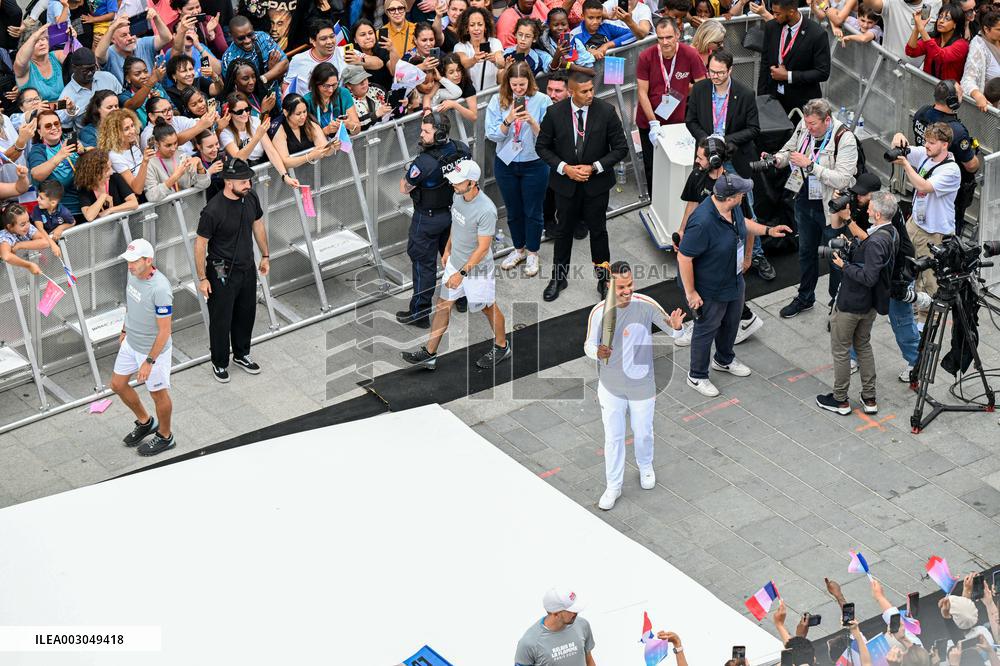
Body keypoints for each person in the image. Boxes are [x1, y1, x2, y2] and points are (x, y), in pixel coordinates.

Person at [584, 261, 686, 510]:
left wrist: (677, 327)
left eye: (630, 285)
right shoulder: (599, 312)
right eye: (621, 287)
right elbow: (588, 345)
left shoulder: (646, 305)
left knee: (643, 432)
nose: (627, 291)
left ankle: (645, 465)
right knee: (614, 438)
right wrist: (598, 352)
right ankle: (613, 486)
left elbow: (675, 334)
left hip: (642, 386)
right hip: (611, 387)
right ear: (609, 286)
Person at [678, 174, 792, 397]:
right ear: (730, 197)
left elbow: (744, 225)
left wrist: (767, 231)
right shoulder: (702, 222)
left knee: (732, 322)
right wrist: (691, 292)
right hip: (710, 287)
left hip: (734, 278)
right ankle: (697, 375)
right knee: (706, 329)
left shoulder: (733, 208)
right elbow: (684, 258)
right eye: (741, 194)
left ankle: (724, 359)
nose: (744, 196)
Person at [400, 160, 511, 370]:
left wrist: (461, 273)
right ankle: (429, 354)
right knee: (443, 306)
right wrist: (449, 249)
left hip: (476, 271)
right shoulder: (458, 196)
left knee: (488, 308)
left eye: (458, 182)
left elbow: (483, 248)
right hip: (455, 263)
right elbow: (456, 224)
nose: (453, 185)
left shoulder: (486, 210)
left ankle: (502, 346)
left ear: (471, 182)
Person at [536, 71, 628, 302]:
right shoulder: (554, 113)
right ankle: (559, 277)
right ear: (571, 92)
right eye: (584, 91)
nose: (590, 94)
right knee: (563, 231)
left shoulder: (606, 111)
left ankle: (603, 278)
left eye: (591, 90)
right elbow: (542, 147)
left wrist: (595, 167)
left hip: (596, 186)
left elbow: (620, 148)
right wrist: (565, 168)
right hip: (565, 186)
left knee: (598, 232)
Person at [685, 50, 775, 282]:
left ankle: (756, 255)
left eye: (720, 73)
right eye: (711, 71)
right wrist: (708, 143)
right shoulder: (700, 90)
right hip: (708, 159)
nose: (714, 76)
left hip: (735, 160)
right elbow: (690, 120)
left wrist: (726, 141)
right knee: (702, 202)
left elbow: (754, 129)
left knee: (747, 209)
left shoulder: (745, 94)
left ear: (730, 71)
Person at [766, 98, 858, 319]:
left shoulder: (844, 138)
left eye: (813, 124)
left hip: (830, 208)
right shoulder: (805, 126)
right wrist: (777, 159)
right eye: (806, 123)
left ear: (827, 120)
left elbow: (843, 179)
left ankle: (838, 305)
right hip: (804, 198)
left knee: (835, 257)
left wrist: (811, 165)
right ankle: (805, 297)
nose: (808, 128)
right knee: (806, 252)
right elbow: (789, 150)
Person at [816, 190, 898, 416]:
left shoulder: (876, 243)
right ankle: (869, 398)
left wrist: (844, 265)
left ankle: (840, 399)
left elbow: (869, 277)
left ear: (879, 214)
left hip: (852, 303)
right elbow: (868, 245)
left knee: (841, 350)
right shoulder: (890, 233)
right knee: (863, 346)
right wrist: (851, 233)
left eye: (871, 208)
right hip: (870, 306)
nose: (868, 210)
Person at [677, 138, 764, 346]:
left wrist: (748, 257)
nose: (696, 161)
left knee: (717, 287)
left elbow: (748, 225)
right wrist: (682, 230)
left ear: (714, 160)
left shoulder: (732, 187)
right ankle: (705, 319)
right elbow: (692, 204)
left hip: (723, 248)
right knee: (685, 279)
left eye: (700, 157)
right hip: (702, 239)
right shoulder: (697, 175)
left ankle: (743, 318)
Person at [194, 157, 270, 383]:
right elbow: (200, 244)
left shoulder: (250, 197)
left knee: (247, 312)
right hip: (220, 268)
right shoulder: (213, 211)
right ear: (229, 182)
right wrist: (202, 278)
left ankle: (241, 353)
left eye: (249, 180)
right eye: (243, 181)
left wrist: (265, 255)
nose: (248, 184)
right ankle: (219, 362)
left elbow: (257, 224)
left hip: (246, 264)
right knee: (221, 317)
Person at [397, 112, 471, 327]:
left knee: (424, 265)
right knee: (456, 258)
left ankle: (420, 314)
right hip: (454, 214)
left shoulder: (425, 162)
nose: (421, 134)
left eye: (426, 131)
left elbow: (404, 188)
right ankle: (463, 298)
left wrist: (409, 172)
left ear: (438, 135)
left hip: (428, 219)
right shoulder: (461, 149)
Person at [112, 238, 176, 456]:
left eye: (134, 261)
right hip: (131, 342)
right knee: (118, 385)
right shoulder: (133, 275)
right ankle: (146, 422)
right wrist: (124, 330)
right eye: (128, 260)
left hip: (152, 350)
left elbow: (165, 331)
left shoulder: (160, 289)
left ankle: (165, 436)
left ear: (148, 261)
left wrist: (149, 361)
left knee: (158, 394)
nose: (129, 265)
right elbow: (131, 306)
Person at [488, 62, 552, 279]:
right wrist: (508, 120)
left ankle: (533, 252)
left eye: (522, 85)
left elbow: (548, 137)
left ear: (529, 82)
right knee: (513, 210)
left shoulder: (542, 100)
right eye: (514, 85)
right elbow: (492, 135)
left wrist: (532, 121)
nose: (518, 89)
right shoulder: (497, 101)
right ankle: (518, 249)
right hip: (506, 163)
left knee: (533, 210)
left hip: (534, 163)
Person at [889, 122, 961, 306]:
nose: (926, 146)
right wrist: (898, 136)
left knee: (932, 280)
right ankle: (911, 305)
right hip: (915, 223)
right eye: (926, 141)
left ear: (945, 144)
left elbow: (924, 187)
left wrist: (905, 165)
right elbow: (898, 148)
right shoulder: (926, 154)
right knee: (905, 265)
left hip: (935, 233)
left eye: (931, 142)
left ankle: (930, 319)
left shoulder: (951, 170)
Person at [636, 18, 706, 197]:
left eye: (669, 37)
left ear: (677, 35)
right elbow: (642, 92)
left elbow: (702, 87)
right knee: (652, 167)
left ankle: (677, 201)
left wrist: (682, 92)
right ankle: (655, 204)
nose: (665, 42)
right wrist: (653, 123)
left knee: (678, 164)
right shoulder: (646, 56)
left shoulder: (690, 54)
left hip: (677, 122)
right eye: (660, 38)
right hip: (649, 122)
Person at [912, 79, 980, 236]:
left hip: (923, 176)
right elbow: (971, 165)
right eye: (960, 94)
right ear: (953, 101)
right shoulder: (956, 130)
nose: (963, 96)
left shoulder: (922, 112)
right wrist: (975, 155)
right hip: (947, 188)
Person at [756, 0, 831, 115]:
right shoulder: (771, 27)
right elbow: (765, 63)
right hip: (772, 98)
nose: (774, 17)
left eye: (778, 13)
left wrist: (788, 76)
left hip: (802, 102)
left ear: (791, 12)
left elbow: (822, 72)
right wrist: (761, 97)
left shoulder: (817, 34)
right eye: (773, 12)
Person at [514, 587, 596, 666]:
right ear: (556, 613)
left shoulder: (582, 625)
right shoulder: (529, 643)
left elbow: (588, 659)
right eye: (571, 610)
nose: (576, 613)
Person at [28, 109, 83, 221]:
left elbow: (94, 152)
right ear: (39, 131)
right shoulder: (38, 150)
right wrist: (59, 156)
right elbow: (36, 174)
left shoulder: (69, 140)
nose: (54, 127)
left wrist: (84, 150)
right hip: (59, 215)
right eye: (48, 126)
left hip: (85, 205)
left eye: (56, 124)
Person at [222, 15, 290, 101]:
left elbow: (285, 63)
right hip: (251, 105)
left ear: (253, 29)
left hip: (275, 96)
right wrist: (272, 72)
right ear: (231, 36)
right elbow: (234, 91)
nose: (247, 41)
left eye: (250, 35)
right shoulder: (228, 59)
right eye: (241, 38)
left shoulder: (263, 37)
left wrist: (264, 78)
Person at [95, 11, 175, 83]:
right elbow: (98, 55)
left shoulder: (142, 43)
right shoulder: (110, 53)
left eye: (130, 33)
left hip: (153, 92)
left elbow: (167, 38)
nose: (130, 38)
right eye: (124, 35)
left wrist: (156, 18)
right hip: (127, 98)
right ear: (113, 39)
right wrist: (112, 28)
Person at [143, 122, 212, 201]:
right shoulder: (150, 164)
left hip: (192, 209)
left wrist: (200, 167)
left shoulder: (182, 155)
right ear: (157, 143)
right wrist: (174, 178)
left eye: (175, 143)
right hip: (168, 211)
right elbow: (151, 196)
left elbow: (204, 184)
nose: (173, 148)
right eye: (168, 145)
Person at [60, 48, 123, 133]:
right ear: (74, 68)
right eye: (85, 70)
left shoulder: (108, 78)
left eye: (93, 68)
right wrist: (70, 110)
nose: (90, 73)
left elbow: (122, 99)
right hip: (90, 138)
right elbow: (64, 126)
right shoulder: (66, 96)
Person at [865, 0, 943, 67]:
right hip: (888, 67)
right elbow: (871, 3)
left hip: (917, 75)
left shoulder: (936, 3)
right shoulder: (893, 2)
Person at [271, 93, 336, 171]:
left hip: (309, 173)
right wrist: (309, 157)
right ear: (286, 113)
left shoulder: (310, 122)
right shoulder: (278, 128)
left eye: (304, 111)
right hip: (285, 177)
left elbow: (324, 149)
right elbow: (285, 162)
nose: (303, 116)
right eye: (298, 114)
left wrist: (333, 147)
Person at [905, 3, 970, 81]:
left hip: (948, 91)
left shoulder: (962, 45)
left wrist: (922, 29)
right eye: (940, 17)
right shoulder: (934, 39)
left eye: (947, 18)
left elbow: (940, 56)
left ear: (955, 24)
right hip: (926, 87)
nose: (941, 21)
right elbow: (911, 51)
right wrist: (916, 28)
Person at [283, 19, 346, 97]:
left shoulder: (346, 53)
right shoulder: (298, 60)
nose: (329, 41)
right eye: (323, 39)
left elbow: (365, 60)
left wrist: (360, 61)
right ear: (313, 41)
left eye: (332, 36)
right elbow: (287, 86)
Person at [74, 148, 140, 221]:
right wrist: (103, 197)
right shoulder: (84, 188)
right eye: (107, 169)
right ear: (94, 172)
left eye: (111, 167)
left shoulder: (115, 178)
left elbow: (134, 203)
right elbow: (89, 216)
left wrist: (110, 210)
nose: (111, 172)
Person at [97, 108, 149, 197]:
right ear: (115, 133)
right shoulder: (114, 156)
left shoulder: (134, 141)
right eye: (126, 129)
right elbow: (137, 189)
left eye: (132, 125)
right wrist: (145, 162)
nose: (132, 131)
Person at [0, 200, 60, 277]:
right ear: (9, 226)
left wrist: (20, 245)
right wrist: (28, 265)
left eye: (28, 221)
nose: (27, 225)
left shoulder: (27, 228)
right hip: (12, 279)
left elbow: (46, 242)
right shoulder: (4, 237)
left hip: (29, 274)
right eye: (22, 224)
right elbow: (6, 256)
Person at [454, 7, 505, 92]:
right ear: (467, 28)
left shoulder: (495, 42)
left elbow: (501, 63)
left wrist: (494, 59)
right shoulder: (460, 46)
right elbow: (464, 63)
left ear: (485, 27)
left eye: (480, 24)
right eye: (472, 25)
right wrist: (474, 59)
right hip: (470, 97)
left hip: (492, 94)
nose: (476, 28)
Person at [571, 0, 645, 58]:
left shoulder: (606, 27)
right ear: (583, 16)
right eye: (591, 18)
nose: (595, 22)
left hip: (608, 71)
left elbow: (634, 34)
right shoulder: (574, 34)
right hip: (585, 75)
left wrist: (606, 46)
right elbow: (567, 57)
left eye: (598, 17)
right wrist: (586, 52)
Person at [961, 7, 1000, 112]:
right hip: (990, 110)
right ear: (986, 29)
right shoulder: (978, 46)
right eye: (999, 30)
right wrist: (977, 95)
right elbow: (967, 80)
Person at [349, 19, 396, 94]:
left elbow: (394, 72)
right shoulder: (353, 54)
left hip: (387, 94)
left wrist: (392, 50)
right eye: (363, 35)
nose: (368, 37)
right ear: (355, 39)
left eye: (371, 33)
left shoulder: (382, 49)